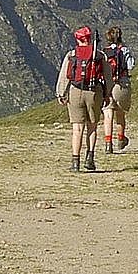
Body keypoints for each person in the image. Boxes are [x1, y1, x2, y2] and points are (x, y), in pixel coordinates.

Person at [55, 24, 105, 172]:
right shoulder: (99, 55)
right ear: (90, 39)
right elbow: (107, 77)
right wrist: (107, 94)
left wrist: (61, 93)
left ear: (77, 39)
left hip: (75, 92)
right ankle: (90, 159)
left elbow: (64, 76)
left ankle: (75, 162)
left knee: (77, 128)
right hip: (94, 92)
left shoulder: (72, 54)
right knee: (92, 126)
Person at [100, 26, 135, 153]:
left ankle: (108, 143)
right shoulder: (124, 50)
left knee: (107, 114)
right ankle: (120, 139)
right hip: (122, 84)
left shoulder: (104, 52)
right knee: (120, 113)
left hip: (107, 85)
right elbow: (131, 66)